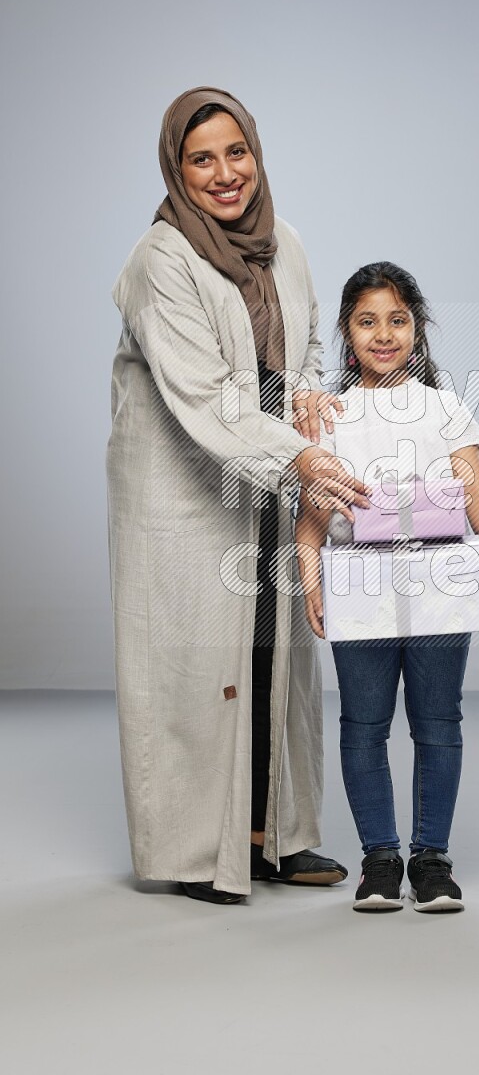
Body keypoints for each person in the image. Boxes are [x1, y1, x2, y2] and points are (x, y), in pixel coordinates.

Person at [106, 86, 369, 904]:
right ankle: (197, 852)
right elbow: (206, 395)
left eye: (237, 152)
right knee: (192, 662)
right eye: (201, 159)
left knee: (275, 653)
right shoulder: (162, 259)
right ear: (176, 169)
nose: (225, 175)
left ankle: (276, 837)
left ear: (256, 152)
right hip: (182, 487)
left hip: (268, 473)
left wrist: (310, 407)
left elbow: (300, 355)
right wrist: (301, 460)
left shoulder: (282, 242)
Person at [295, 262, 479, 912]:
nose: (383, 334)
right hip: (359, 586)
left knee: (438, 721)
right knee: (363, 723)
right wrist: (310, 576)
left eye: (397, 320)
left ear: (416, 329)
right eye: (367, 321)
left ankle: (433, 860)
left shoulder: (443, 406)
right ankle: (380, 861)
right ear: (345, 330)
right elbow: (311, 516)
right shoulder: (328, 416)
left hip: (442, 583)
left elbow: (474, 484)